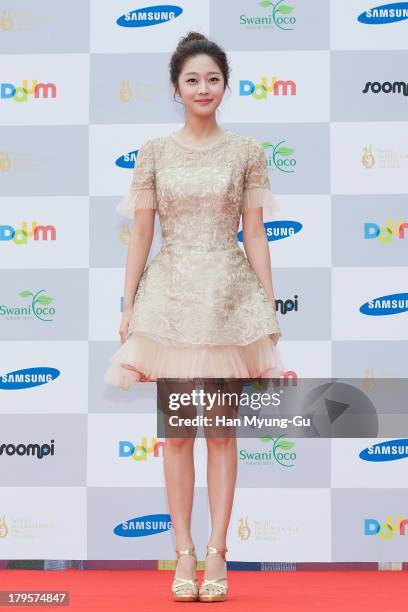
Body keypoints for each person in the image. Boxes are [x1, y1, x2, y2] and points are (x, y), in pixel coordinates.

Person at [104, 31, 284, 603]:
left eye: (212, 78)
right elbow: (141, 233)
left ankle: (217, 553)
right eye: (192, 79)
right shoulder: (154, 152)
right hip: (170, 303)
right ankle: (182, 551)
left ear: (225, 85)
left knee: (222, 435)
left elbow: (254, 232)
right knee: (178, 436)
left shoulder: (247, 153)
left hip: (228, 302)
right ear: (176, 89)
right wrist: (129, 306)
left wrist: (268, 306)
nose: (203, 88)